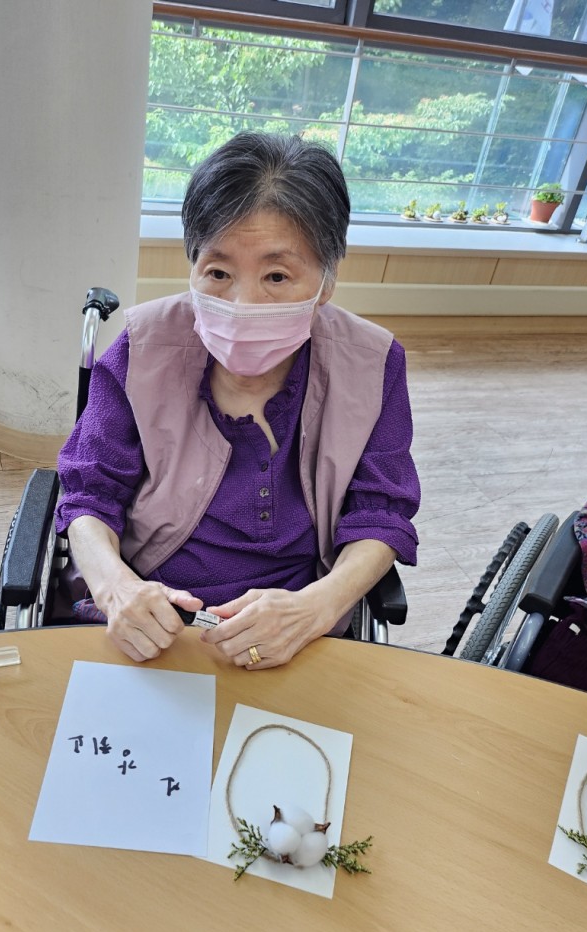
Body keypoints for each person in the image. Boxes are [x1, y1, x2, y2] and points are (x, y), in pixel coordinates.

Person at [56, 131, 420, 670]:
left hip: (296, 630)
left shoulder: (371, 364)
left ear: (326, 281)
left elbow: (380, 512)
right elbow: (89, 493)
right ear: (193, 265)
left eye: (277, 275)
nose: (243, 303)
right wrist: (117, 589)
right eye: (219, 273)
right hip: (152, 619)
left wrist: (315, 609)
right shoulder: (142, 349)